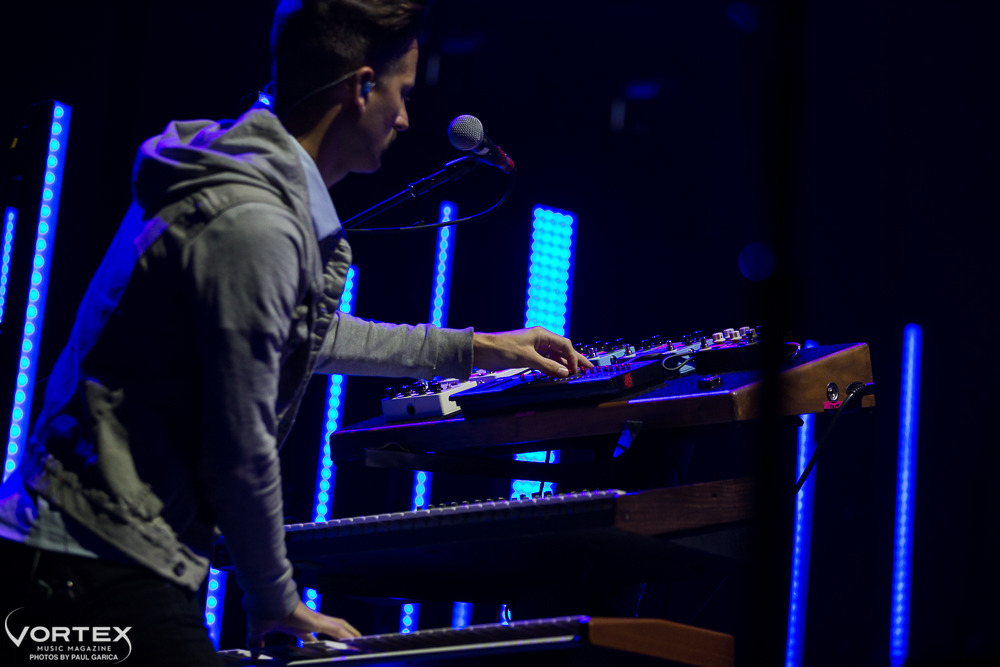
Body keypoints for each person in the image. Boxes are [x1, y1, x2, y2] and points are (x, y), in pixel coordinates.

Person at [0, 1, 590, 663]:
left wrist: (476, 348)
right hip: (89, 566)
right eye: (401, 94)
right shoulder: (254, 222)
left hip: (87, 550)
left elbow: (301, 333)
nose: (404, 118)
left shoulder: (240, 179)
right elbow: (241, 445)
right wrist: (275, 599)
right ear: (361, 86)